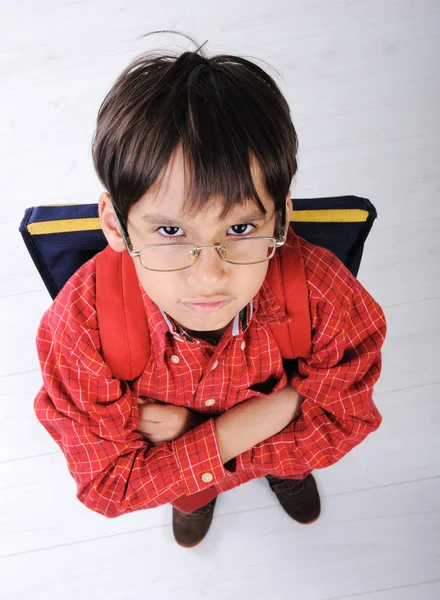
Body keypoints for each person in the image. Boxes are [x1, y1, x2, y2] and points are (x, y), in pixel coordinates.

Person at [34, 43, 387, 549]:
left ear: (281, 217)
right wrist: (282, 408)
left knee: (205, 474)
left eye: (241, 226)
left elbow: (347, 420)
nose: (208, 277)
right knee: (195, 490)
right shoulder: (81, 327)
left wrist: (187, 433)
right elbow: (111, 486)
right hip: (271, 438)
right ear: (116, 224)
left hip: (181, 450)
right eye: (171, 231)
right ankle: (201, 495)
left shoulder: (322, 291)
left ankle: (246, 478)